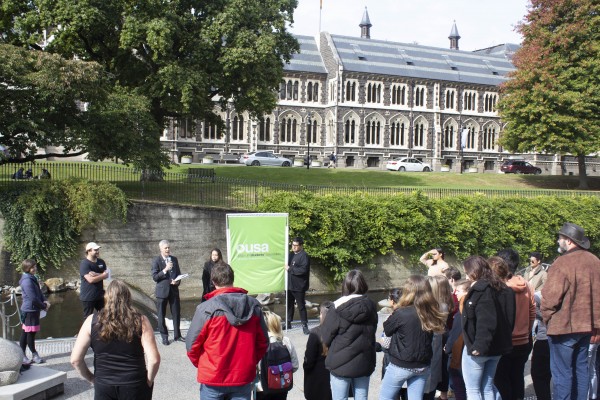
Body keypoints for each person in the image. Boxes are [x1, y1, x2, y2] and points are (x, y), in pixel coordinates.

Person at [186, 262, 268, 400]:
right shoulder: (253, 307)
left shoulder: (206, 309)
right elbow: (263, 343)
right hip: (242, 375)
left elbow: (191, 345)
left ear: (213, 282)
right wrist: (249, 362)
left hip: (213, 376)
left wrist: (204, 364)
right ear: (232, 279)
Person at [71, 280, 160, 399]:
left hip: (104, 385)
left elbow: (75, 360)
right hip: (135, 383)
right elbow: (154, 360)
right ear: (128, 297)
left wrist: (91, 378)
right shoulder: (141, 321)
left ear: (106, 297)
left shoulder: (91, 321)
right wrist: (149, 380)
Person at [541, 222, 600, 400]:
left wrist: (547, 317)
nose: (559, 241)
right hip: (587, 326)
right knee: (582, 371)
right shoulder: (595, 261)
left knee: (562, 375)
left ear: (568, 241)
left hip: (564, 327)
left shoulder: (562, 263)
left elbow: (550, 298)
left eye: (560, 238)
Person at [379, 275, 447, 400]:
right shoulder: (431, 312)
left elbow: (387, 329)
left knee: (385, 397)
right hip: (422, 365)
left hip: (400, 364)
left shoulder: (402, 313)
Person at [461, 255, 515, 400]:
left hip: (479, 347)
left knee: (473, 391)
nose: (466, 276)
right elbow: (509, 319)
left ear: (474, 271)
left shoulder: (482, 289)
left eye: (467, 272)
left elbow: (486, 320)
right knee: (487, 387)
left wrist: (478, 346)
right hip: (497, 346)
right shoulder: (502, 289)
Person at [321, 269, 378, 400]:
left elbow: (325, 336)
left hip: (340, 362)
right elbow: (372, 330)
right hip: (364, 360)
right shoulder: (371, 305)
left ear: (345, 285)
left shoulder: (336, 307)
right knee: (362, 397)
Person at [489, 254, 535, 400]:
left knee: (501, 380)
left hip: (504, 341)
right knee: (517, 377)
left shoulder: (498, 287)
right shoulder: (526, 285)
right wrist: (527, 332)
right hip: (523, 340)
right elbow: (532, 310)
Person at [257, 311, 299, 400]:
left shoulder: (259, 343)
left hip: (262, 387)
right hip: (282, 385)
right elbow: (295, 366)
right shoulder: (286, 341)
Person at [151, 239, 182, 345]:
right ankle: (164, 337)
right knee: (161, 315)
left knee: (176, 313)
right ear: (161, 249)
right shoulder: (156, 261)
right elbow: (155, 277)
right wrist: (165, 269)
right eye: (166, 248)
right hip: (162, 292)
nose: (168, 249)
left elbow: (178, 274)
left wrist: (176, 281)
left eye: (169, 247)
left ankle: (177, 335)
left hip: (173, 290)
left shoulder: (174, 259)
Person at [19, 259, 50, 364]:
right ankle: (32, 354)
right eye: (32, 267)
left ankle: (23, 354)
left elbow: (39, 293)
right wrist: (43, 306)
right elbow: (33, 298)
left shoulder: (32, 278)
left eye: (35, 266)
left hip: (32, 310)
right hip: (30, 310)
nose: (35, 268)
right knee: (30, 334)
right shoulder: (27, 281)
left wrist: (44, 300)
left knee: (26, 333)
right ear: (27, 268)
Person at [445, 279, 472, 400]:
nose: (455, 293)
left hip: (460, 351)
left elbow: (455, 333)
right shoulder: (473, 306)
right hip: (469, 349)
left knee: (459, 384)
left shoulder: (463, 309)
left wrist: (447, 348)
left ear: (467, 292)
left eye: (459, 291)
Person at [304, 301, 334, 400]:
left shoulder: (315, 333)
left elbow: (309, 360)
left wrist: (306, 366)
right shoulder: (339, 331)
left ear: (322, 314)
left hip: (316, 378)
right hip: (333, 377)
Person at [285, 237, 310, 334]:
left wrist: (289, 269)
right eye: (292, 245)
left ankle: (304, 325)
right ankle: (288, 323)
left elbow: (303, 270)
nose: (294, 247)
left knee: (301, 306)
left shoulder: (304, 256)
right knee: (289, 304)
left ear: (301, 246)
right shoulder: (290, 255)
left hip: (299, 285)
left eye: (296, 245)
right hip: (289, 284)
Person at [79, 242, 109, 319]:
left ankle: (103, 330)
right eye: (95, 250)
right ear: (89, 251)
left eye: (98, 249)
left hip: (99, 295)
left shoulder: (101, 262)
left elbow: (107, 275)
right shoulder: (84, 264)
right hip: (88, 297)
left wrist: (96, 274)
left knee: (105, 315)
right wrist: (102, 275)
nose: (98, 251)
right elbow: (91, 280)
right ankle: (86, 331)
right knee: (88, 318)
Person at [531, 292, 551, 400]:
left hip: (544, 338)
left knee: (538, 374)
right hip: (552, 338)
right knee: (547, 374)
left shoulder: (538, 296)